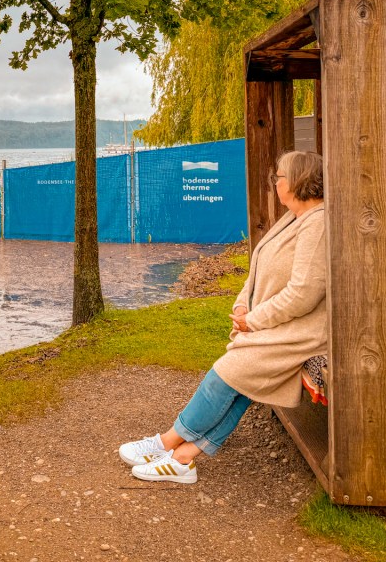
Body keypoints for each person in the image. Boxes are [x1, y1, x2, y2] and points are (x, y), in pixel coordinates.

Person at [119, 150, 327, 483]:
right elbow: (259, 267)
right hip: (278, 323)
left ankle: (168, 442)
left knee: (228, 372)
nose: (275, 183)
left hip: (303, 330)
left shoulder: (316, 224)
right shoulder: (294, 218)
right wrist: (244, 304)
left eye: (280, 178)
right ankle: (183, 460)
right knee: (242, 381)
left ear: (299, 181)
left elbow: (304, 294)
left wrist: (253, 321)